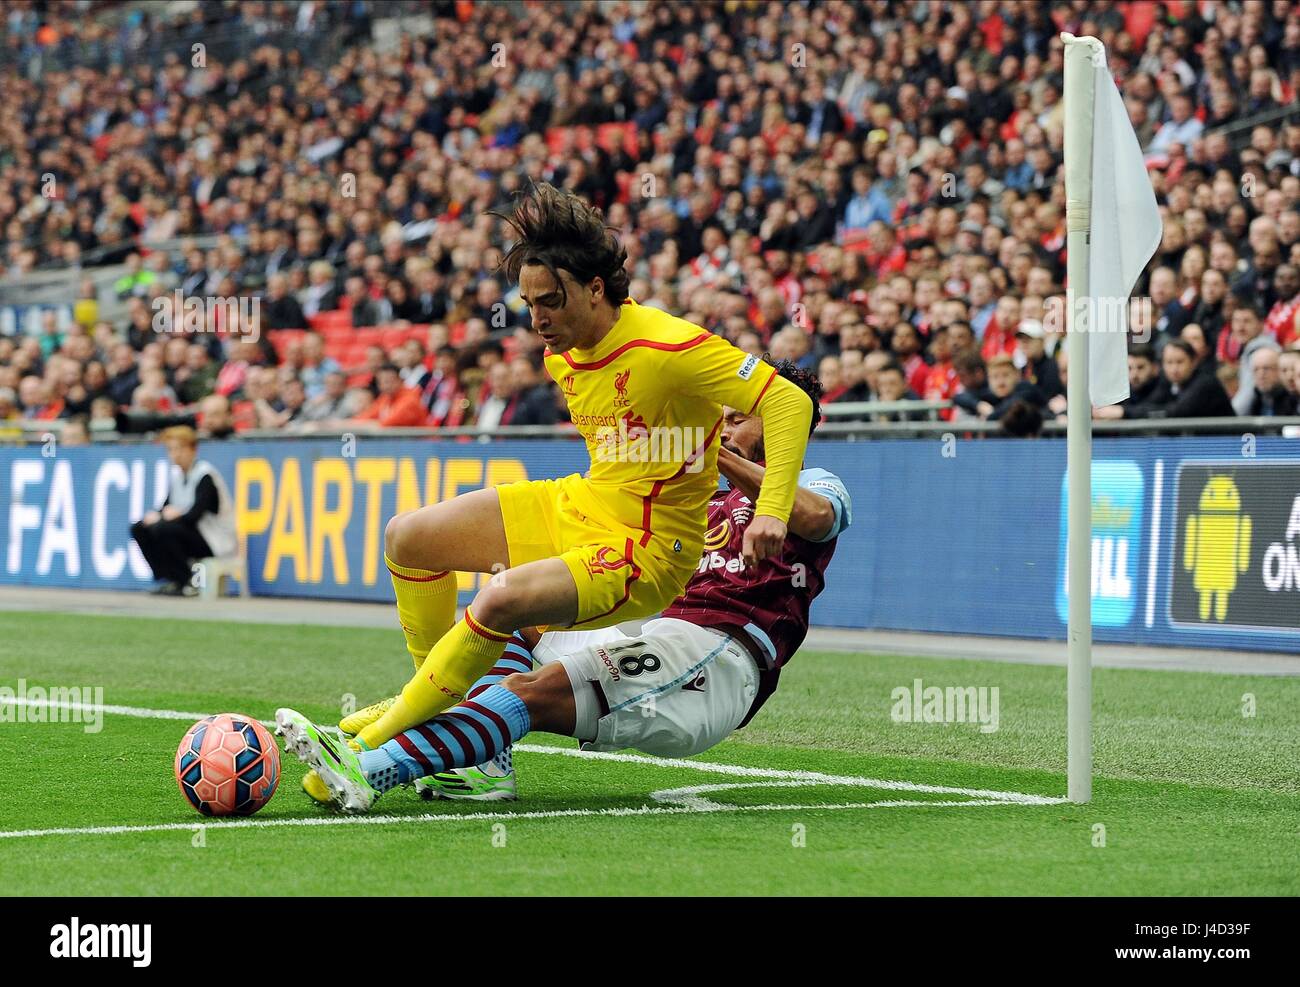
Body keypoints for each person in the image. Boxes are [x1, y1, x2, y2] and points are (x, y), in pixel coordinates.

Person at [274, 183, 813, 800]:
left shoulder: (666, 345)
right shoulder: (563, 350)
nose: (537, 320)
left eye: (550, 302)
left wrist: (772, 508)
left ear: (595, 289)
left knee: (501, 599)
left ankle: (368, 746)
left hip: (647, 547)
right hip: (582, 503)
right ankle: (478, 755)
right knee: (410, 538)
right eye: (528, 304)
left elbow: (787, 398)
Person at [282, 360, 847, 810]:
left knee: (533, 692)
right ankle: (484, 766)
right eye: (720, 417)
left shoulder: (815, 482)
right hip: (654, 629)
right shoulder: (692, 493)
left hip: (717, 660)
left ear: (781, 423)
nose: (722, 425)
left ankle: (370, 769)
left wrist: (715, 456)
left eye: (738, 417)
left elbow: (815, 519)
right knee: (515, 608)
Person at [129, 426, 236, 596]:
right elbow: (165, 506)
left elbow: (195, 515)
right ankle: (170, 578)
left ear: (193, 450)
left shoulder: (205, 475)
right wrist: (156, 515)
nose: (175, 454)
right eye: (171, 449)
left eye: (180, 449)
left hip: (213, 538)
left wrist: (175, 514)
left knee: (164, 529)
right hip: (190, 533)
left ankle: (190, 581)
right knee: (140, 528)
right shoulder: (178, 476)